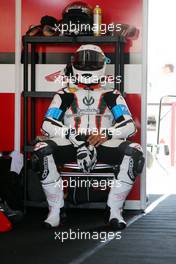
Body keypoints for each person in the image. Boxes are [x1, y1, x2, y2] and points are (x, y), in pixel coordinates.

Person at [32, 44, 144, 230]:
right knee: (41, 151)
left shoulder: (111, 95)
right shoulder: (64, 94)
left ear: (102, 64)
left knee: (135, 152)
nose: (87, 66)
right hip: (70, 143)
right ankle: (56, 211)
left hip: (103, 144)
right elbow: (47, 124)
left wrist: (107, 133)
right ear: (73, 64)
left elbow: (129, 126)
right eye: (82, 62)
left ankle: (114, 211)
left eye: (92, 62)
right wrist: (73, 136)